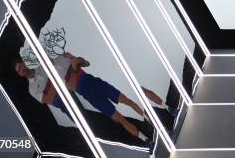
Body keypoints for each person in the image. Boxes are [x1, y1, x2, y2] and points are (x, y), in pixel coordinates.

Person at [14, 52, 165, 150]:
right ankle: (147, 141)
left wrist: (77, 61)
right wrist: (72, 71)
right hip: (88, 95)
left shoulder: (54, 62)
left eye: (21, 66)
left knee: (127, 101)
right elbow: (57, 93)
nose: (43, 57)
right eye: (18, 70)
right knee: (119, 119)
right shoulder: (41, 80)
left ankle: (153, 122)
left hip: (93, 82)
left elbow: (85, 63)